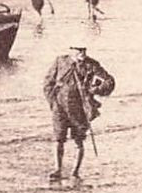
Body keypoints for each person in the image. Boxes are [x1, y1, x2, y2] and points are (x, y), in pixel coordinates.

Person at [43, 45, 116, 180]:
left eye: (84, 50)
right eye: (78, 50)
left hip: (80, 108)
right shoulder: (60, 61)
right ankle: (57, 170)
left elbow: (109, 81)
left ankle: (75, 172)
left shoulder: (91, 65)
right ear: (71, 50)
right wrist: (52, 102)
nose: (82, 53)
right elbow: (48, 83)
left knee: (79, 141)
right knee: (58, 139)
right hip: (60, 108)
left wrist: (95, 90)